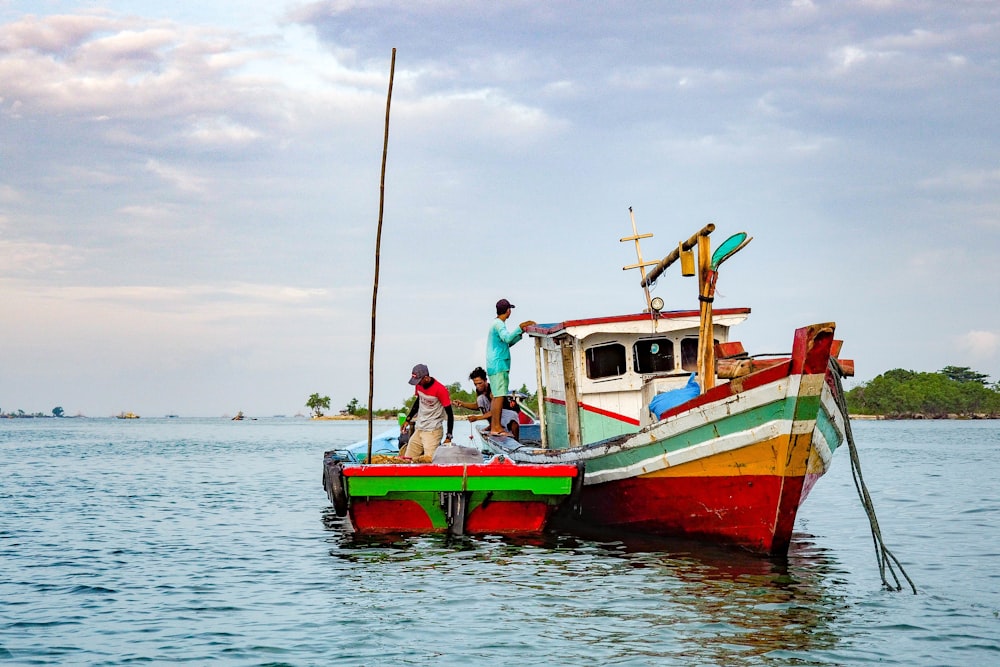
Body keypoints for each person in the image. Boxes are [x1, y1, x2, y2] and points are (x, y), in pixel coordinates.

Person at [486, 298, 535, 436]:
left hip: (494, 365)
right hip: (499, 365)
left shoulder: (495, 324)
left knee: (497, 396)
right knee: (500, 396)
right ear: (508, 311)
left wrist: (520, 333)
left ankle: (495, 427)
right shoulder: (499, 324)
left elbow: (506, 343)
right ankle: (496, 427)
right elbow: (507, 339)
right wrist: (520, 327)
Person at [401, 363, 454, 460]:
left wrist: (449, 436)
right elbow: (417, 403)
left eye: (418, 381)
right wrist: (407, 420)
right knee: (407, 459)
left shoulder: (440, 390)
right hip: (419, 428)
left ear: (426, 378)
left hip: (432, 431)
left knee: (430, 460)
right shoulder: (418, 385)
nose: (417, 384)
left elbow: (450, 414)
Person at [453, 367, 521, 440]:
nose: (478, 386)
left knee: (514, 423)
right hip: (494, 414)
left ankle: (516, 442)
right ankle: (492, 425)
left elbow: (495, 410)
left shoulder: (492, 390)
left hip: (506, 412)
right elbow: (477, 406)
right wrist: (462, 404)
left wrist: (477, 418)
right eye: (475, 384)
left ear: (485, 381)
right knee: (480, 399)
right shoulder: (479, 391)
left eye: (480, 383)